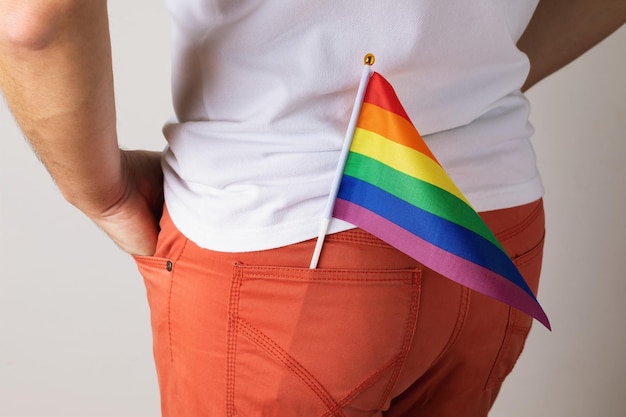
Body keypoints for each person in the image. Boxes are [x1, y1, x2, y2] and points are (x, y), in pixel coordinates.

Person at [0, 1, 623, 416]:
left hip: (280, 245)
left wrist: (101, 194)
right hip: (492, 230)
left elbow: (35, 20)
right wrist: (479, 86)